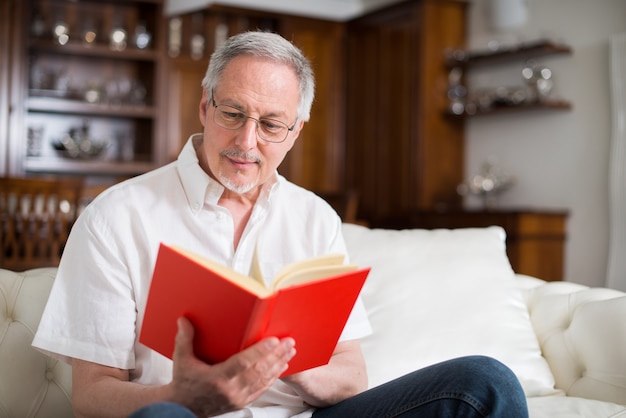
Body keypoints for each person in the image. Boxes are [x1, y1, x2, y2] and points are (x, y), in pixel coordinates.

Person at [33, 31, 528, 418]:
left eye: (271, 124)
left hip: (303, 417)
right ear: (205, 105)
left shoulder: (315, 219)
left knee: (487, 383)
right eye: (233, 113)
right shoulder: (116, 216)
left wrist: (296, 370)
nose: (246, 142)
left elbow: (352, 375)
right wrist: (182, 397)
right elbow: (91, 397)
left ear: (295, 132)